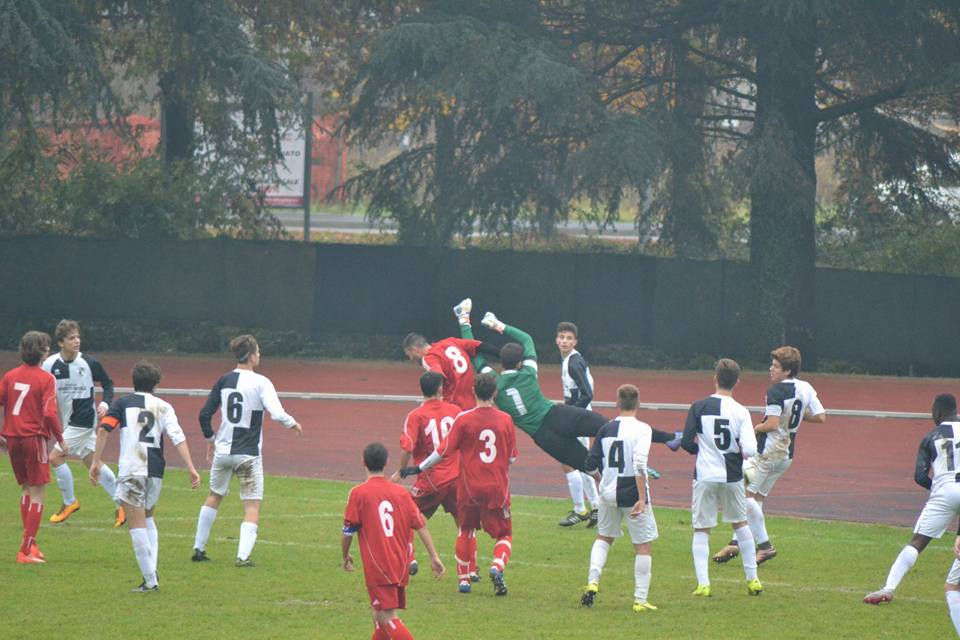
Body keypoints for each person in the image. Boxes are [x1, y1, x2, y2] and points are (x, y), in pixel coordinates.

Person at [458, 310, 680, 474]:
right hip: (560, 415)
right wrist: (498, 325)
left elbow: (474, 354)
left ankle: (630, 475)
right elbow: (526, 339)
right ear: (519, 363)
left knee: (591, 468)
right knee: (615, 427)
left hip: (543, 436)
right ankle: (669, 439)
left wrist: (464, 322)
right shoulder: (528, 372)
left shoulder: (494, 383)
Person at [400, 374, 518, 596]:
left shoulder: (463, 419)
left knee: (465, 528)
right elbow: (512, 458)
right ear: (494, 393)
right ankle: (496, 566)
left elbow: (443, 450)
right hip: (497, 487)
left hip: (469, 486)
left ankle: (464, 579)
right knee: (505, 533)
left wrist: (419, 468)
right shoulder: (505, 419)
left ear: (473, 392)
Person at [191, 334, 303, 566]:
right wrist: (293, 423)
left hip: (223, 452)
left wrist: (211, 439)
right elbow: (277, 413)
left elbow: (204, 414)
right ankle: (242, 557)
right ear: (251, 355)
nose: (260, 355)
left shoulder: (223, 380)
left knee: (214, 496)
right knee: (252, 504)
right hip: (248, 455)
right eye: (258, 352)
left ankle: (198, 548)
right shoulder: (261, 382)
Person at [89, 361, 201, 592]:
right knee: (149, 518)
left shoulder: (122, 403)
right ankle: (152, 572)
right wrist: (191, 467)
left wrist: (96, 462)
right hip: (156, 470)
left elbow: (104, 428)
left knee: (136, 524)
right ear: (156, 385)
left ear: (134, 382)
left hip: (132, 467)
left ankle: (150, 581)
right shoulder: (164, 406)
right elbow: (177, 437)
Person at [713, 346, 826, 565]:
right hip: (786, 455)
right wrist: (794, 420)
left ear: (787, 370)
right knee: (756, 499)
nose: (770, 369)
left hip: (767, 453)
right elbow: (821, 417)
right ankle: (735, 544)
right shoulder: (806, 387)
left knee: (742, 496)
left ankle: (764, 546)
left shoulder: (775, 392)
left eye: (775, 366)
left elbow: (772, 424)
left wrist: (756, 428)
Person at [864, 393, 960, 605]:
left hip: (944, 492)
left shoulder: (930, 437)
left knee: (917, 542)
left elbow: (920, 476)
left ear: (937, 411)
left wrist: (938, 488)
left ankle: (888, 588)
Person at [343, 442, 444, 640]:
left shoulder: (358, 493)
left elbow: (348, 531)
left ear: (363, 462)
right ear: (387, 462)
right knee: (378, 613)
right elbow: (421, 525)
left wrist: (345, 555)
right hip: (399, 562)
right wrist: (434, 556)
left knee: (388, 616)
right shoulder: (401, 493)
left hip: (379, 565)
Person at [680, 358, 763, 597]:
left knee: (701, 529)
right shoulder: (741, 411)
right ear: (737, 382)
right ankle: (753, 579)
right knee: (740, 524)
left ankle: (703, 584)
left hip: (705, 475)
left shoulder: (698, 406)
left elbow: (687, 442)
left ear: (715, 379)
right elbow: (750, 449)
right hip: (732, 476)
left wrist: (702, 451)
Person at [390, 371, 478, 582]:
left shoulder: (416, 415)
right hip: (457, 477)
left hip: (432, 480)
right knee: (465, 524)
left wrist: (400, 472)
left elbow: (407, 446)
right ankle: (471, 569)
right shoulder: (456, 410)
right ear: (440, 389)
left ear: (421, 389)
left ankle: (409, 558)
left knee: (403, 516)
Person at [579, 384, 659, 613]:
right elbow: (640, 464)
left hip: (607, 493)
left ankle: (593, 581)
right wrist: (642, 498)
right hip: (632, 494)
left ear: (617, 403)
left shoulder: (605, 428)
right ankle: (639, 599)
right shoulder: (643, 429)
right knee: (642, 546)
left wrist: (601, 480)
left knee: (603, 538)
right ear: (638, 403)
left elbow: (589, 464)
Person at [42, 319, 123, 526]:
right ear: (60, 342)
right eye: (71, 338)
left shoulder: (89, 362)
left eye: (78, 337)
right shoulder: (50, 364)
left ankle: (70, 502)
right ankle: (122, 504)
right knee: (90, 460)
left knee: (55, 457)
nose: (77, 341)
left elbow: (108, 383)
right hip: (68, 420)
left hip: (84, 419)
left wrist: (105, 402)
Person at [0, 331, 65, 563]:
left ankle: (32, 544)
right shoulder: (46, 379)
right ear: (44, 352)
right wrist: (61, 439)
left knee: (26, 488)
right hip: (33, 438)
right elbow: (49, 413)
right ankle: (25, 551)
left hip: (12, 438)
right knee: (38, 492)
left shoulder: (10, 376)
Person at [555, 322, 602, 528]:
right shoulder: (569, 360)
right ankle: (593, 508)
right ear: (557, 339)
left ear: (575, 341)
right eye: (562, 337)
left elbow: (587, 393)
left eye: (569, 338)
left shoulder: (574, 362)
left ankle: (586, 508)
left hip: (578, 418)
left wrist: (572, 413)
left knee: (573, 460)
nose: (564, 341)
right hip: (576, 414)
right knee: (575, 460)